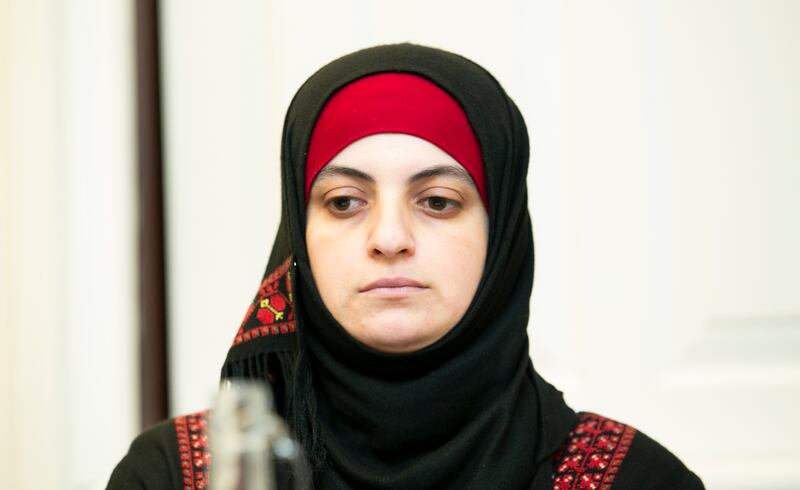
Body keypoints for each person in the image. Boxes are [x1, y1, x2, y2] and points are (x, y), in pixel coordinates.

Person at [109, 43, 704, 489]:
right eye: (344, 202)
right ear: (299, 232)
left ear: (501, 238)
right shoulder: (175, 477)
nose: (389, 238)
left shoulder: (634, 481)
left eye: (438, 202)